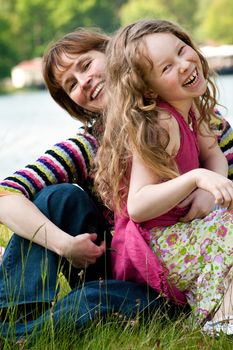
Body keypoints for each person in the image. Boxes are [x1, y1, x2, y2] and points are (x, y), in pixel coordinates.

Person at [0, 26, 232, 341]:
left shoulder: (187, 107)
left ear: (117, 55)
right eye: (71, 85)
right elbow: (6, 193)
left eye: (85, 65)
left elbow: (221, 166)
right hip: (127, 262)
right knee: (60, 198)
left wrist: (209, 187)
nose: (84, 82)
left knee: (96, 298)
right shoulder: (88, 146)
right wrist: (64, 245)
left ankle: (20, 332)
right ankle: (16, 313)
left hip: (180, 270)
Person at [95, 19, 233, 334]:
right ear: (147, 88)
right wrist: (196, 178)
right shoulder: (161, 124)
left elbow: (214, 155)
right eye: (167, 68)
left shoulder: (192, 107)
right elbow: (138, 206)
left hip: (185, 232)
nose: (185, 65)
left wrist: (209, 190)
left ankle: (222, 303)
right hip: (155, 247)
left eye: (182, 51)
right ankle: (216, 317)